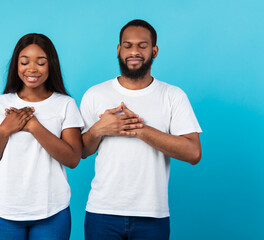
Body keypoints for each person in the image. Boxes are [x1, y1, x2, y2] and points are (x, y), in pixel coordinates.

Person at [80, 19, 202, 240]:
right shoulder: (95, 94)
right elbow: (81, 151)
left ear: (154, 51)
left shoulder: (173, 96)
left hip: (152, 215)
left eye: (142, 46)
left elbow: (193, 153)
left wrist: (140, 129)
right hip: (102, 211)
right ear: (119, 50)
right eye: (127, 45)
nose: (134, 51)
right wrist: (99, 129)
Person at [0, 33, 83, 240]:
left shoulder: (65, 104)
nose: (32, 69)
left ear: (50, 65)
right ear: (16, 66)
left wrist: (34, 126)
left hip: (53, 209)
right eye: (24, 62)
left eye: (40, 62)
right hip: (5, 210)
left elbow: (72, 159)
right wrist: (5, 129)